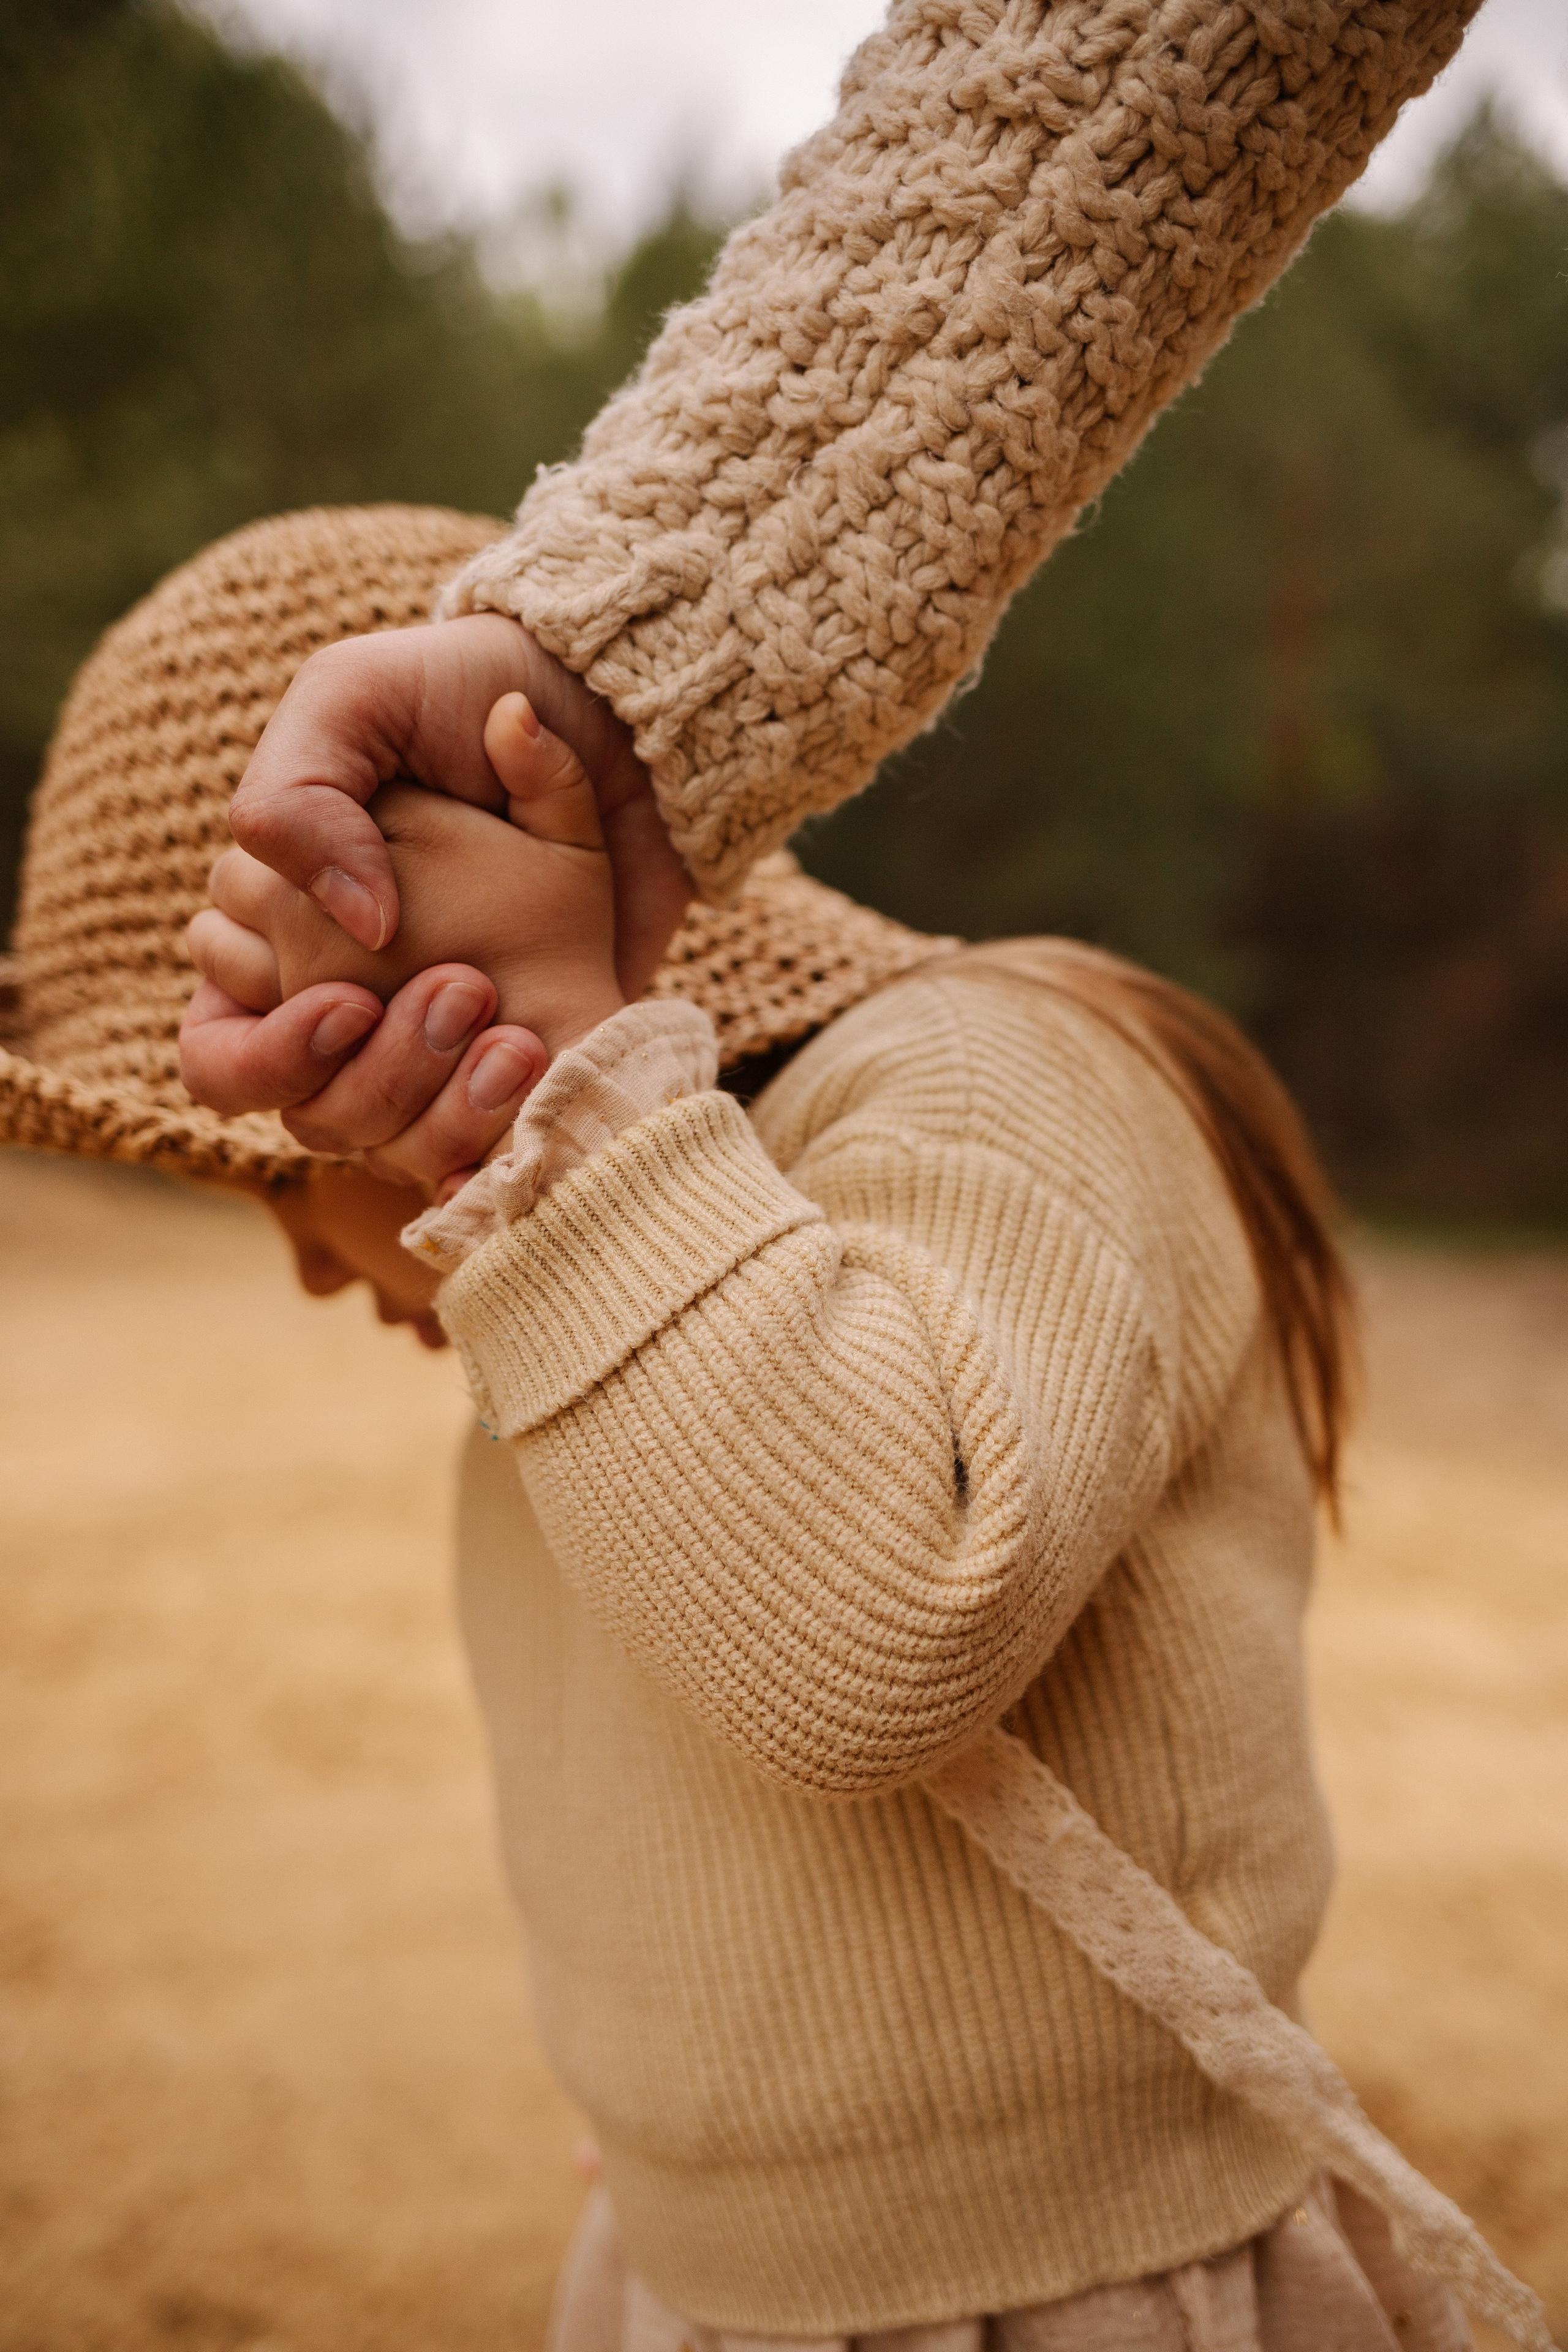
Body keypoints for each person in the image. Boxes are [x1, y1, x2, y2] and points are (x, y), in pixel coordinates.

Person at [2, 1, 1551, 2344]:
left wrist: (552, 1124)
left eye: (257, 1184)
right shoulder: (599, 1298)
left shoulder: (990, 1085)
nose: (312, 1279)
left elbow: (880, 1626)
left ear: (431, 988)